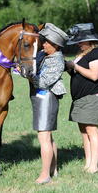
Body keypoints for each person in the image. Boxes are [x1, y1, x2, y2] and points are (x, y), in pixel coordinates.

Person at [29, 23, 68, 184]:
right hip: (42, 99)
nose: (43, 44)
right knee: (48, 137)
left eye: (47, 42)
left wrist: (29, 76)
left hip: (47, 99)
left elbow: (43, 83)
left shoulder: (57, 60)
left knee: (44, 137)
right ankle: (53, 169)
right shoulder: (45, 55)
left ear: (56, 45)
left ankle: (45, 175)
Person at [65, 23, 98, 174]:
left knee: (92, 130)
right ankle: (88, 163)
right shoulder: (81, 55)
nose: (78, 43)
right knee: (84, 132)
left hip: (91, 97)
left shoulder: (97, 52)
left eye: (81, 41)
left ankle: (94, 166)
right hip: (79, 99)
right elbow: (77, 74)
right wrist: (69, 67)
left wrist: (75, 66)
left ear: (90, 40)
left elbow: (94, 75)